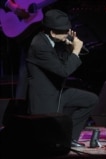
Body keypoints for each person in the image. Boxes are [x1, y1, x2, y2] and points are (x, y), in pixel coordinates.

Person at [26, 9, 99, 147]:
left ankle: (70, 138)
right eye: (65, 32)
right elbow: (64, 71)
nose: (68, 34)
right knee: (48, 143)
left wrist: (69, 49)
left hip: (58, 92)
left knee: (91, 100)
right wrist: (76, 51)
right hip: (45, 98)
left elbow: (61, 64)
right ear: (53, 32)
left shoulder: (51, 41)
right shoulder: (39, 46)